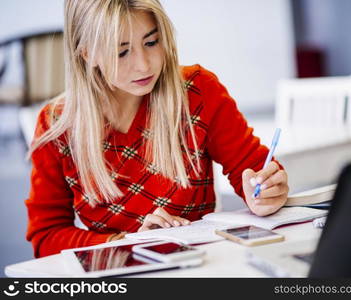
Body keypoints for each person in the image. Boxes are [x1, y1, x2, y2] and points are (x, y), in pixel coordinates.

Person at [25, 0, 289, 258]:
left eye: (151, 42)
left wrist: (265, 192)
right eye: (122, 51)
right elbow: (46, 236)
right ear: (87, 53)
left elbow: (254, 171)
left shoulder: (199, 93)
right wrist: (129, 244)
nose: (144, 64)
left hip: (199, 270)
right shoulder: (57, 126)